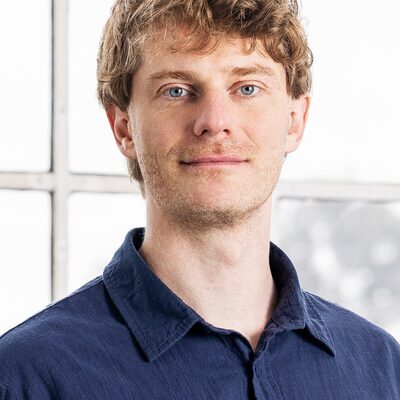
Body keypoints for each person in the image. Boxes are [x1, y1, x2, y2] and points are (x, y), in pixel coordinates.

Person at [1, 0, 399, 398]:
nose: (214, 121)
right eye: (176, 90)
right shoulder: (26, 376)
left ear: (295, 120)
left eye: (247, 88)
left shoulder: (382, 367)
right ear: (123, 127)